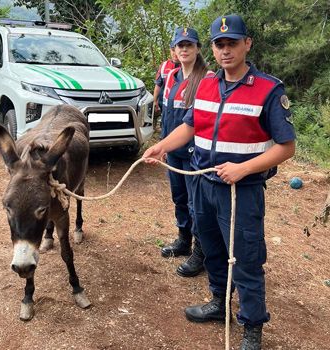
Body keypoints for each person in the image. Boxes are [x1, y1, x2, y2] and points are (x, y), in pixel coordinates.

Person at [143, 14, 295, 349]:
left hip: (242, 191)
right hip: (203, 183)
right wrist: (161, 146)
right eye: (219, 44)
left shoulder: (269, 90)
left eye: (232, 43)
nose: (225, 50)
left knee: (245, 258)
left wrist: (243, 169)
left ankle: (252, 326)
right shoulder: (207, 84)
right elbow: (190, 126)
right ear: (212, 48)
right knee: (211, 247)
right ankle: (218, 303)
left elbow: (286, 147)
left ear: (247, 44)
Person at [158, 27, 210, 278]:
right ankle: (183, 240)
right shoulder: (171, 76)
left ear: (198, 48)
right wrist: (164, 145)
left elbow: (201, 122)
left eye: (189, 45)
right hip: (174, 153)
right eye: (180, 45)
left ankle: (201, 252)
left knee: (195, 204)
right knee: (179, 199)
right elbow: (167, 113)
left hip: (194, 155)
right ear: (174, 50)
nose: (184, 49)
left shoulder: (207, 79)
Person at [153, 45, 180, 122]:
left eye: (177, 50)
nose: (175, 53)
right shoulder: (164, 65)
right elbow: (158, 84)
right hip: (165, 103)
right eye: (173, 50)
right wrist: (155, 101)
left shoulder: (187, 65)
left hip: (181, 105)